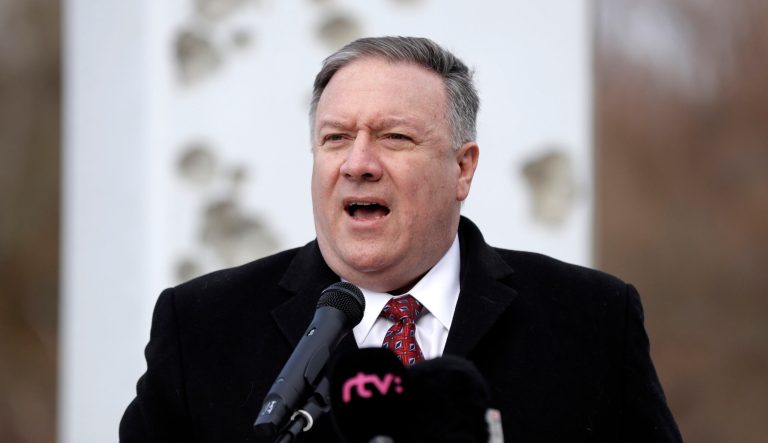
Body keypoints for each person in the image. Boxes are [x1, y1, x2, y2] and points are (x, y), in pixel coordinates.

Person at [120, 36, 683, 442]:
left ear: (462, 169)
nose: (358, 163)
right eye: (336, 138)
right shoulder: (201, 327)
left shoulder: (592, 319)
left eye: (394, 137)